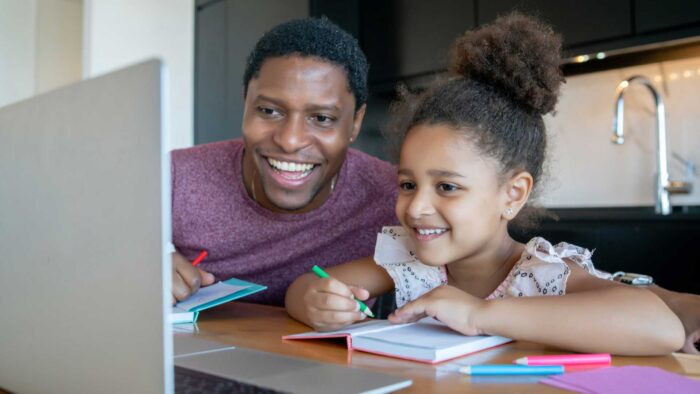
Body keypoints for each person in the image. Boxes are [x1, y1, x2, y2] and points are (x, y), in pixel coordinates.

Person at [285, 13, 687, 355]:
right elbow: (307, 284)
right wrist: (315, 301)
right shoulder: (411, 262)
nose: (416, 207)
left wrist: (480, 315)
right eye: (408, 184)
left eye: (447, 187)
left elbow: (660, 326)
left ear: (512, 194)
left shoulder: (542, 275)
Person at [170, 17, 398, 306]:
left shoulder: (395, 197)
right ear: (246, 104)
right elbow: (99, 253)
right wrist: (143, 264)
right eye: (269, 111)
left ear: (355, 123)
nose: (290, 140)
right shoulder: (174, 179)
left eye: (322, 118)